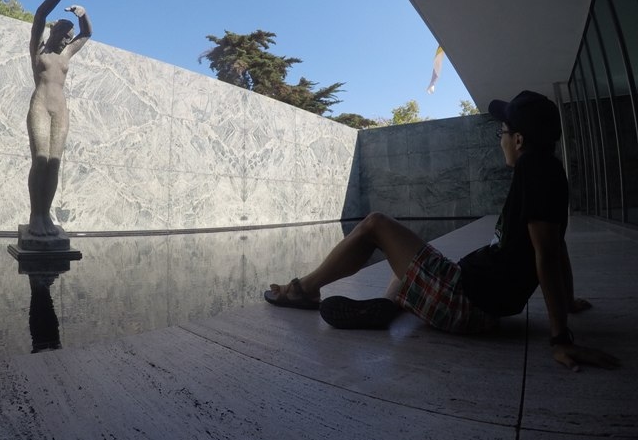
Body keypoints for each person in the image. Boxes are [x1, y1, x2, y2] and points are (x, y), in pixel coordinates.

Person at [265, 90, 620, 372]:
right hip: (471, 290)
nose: (500, 140)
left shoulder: (534, 173)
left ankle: (302, 291)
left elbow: (547, 255)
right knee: (411, 259)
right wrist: (568, 302)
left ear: (519, 140)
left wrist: (560, 338)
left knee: (375, 224)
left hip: (464, 303)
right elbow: (556, 246)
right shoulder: (547, 171)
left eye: (502, 132)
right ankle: (389, 306)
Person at [27, 0, 92, 236]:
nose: (67, 39)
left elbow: (86, 33)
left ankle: (46, 216)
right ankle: (35, 216)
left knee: (54, 163)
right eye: (64, 34)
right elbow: (40, 14)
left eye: (69, 36)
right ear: (54, 31)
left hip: (60, 110)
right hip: (41, 106)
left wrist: (83, 14)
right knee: (40, 160)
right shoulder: (39, 51)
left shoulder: (66, 55)